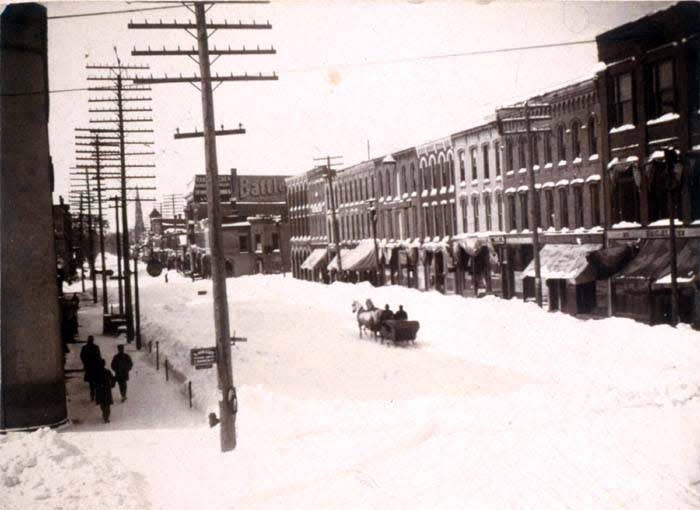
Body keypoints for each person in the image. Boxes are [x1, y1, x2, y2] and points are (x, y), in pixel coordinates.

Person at [80, 336, 102, 401]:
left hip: (89, 367)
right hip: (95, 367)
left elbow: (82, 356)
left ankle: (92, 394)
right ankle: (95, 394)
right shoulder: (96, 347)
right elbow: (99, 357)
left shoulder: (84, 348)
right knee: (96, 381)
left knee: (91, 382)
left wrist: (85, 363)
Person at [94, 359, 115, 423]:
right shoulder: (107, 371)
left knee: (102, 404)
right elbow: (113, 378)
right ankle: (106, 416)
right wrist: (112, 385)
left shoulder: (97, 372)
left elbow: (94, 381)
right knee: (106, 404)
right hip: (106, 389)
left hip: (100, 390)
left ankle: (105, 416)